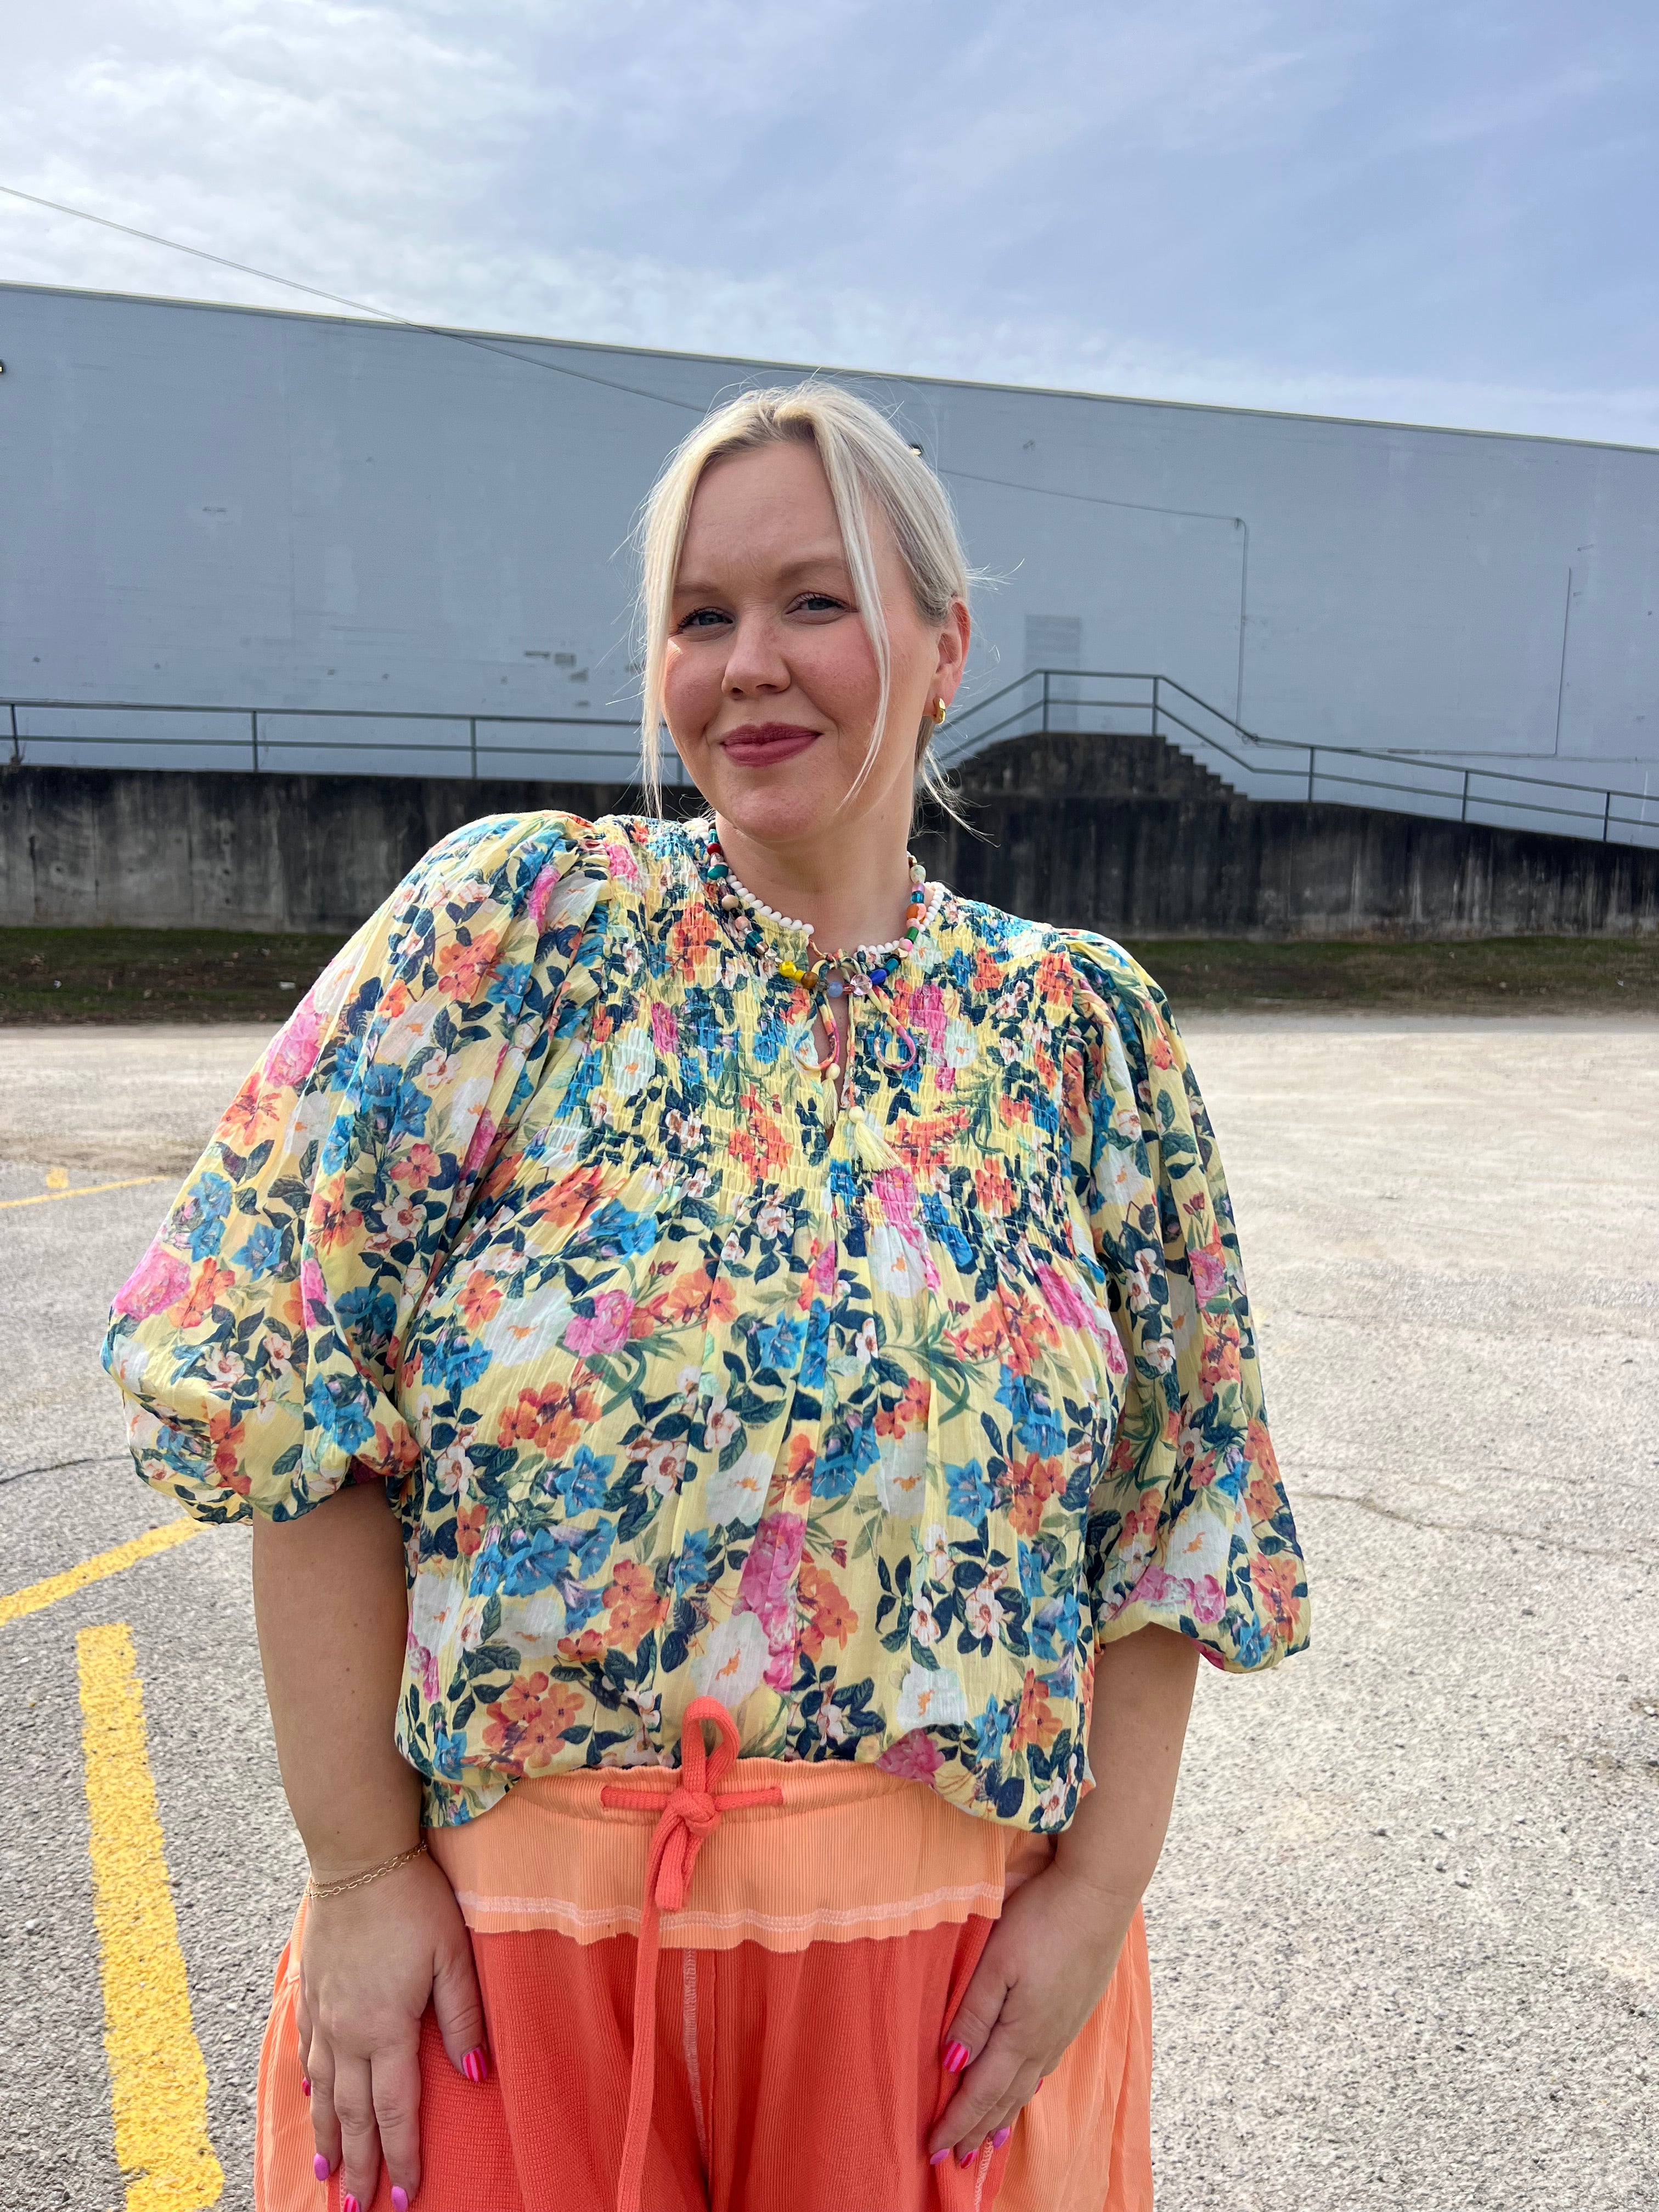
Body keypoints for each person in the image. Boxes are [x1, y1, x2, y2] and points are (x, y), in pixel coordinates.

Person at [105, 382, 1309, 2212]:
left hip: (941, 1997)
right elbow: (287, 1380)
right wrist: (356, 1869)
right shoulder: (515, 932)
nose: (750, 663)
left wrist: (1099, 1889)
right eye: (701, 614)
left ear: (945, 648)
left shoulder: (1079, 1031)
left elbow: (1179, 1494)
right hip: (512, 1975)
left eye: (816, 601)